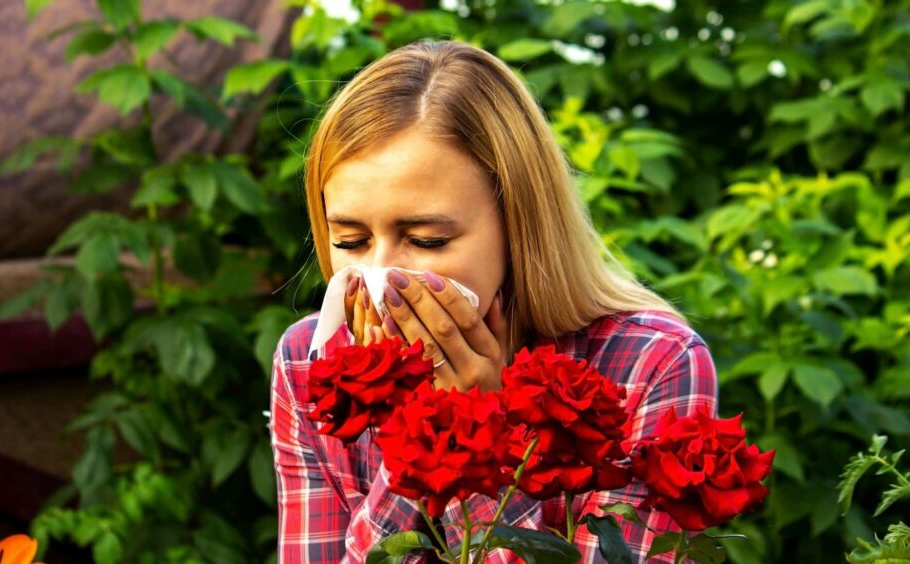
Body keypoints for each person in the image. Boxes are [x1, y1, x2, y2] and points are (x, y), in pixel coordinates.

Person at [270, 39, 717, 563]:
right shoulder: (310, 363)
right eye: (350, 241)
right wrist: (419, 431)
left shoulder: (649, 363)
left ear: (518, 224)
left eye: (427, 240)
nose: (380, 277)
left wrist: (485, 442)